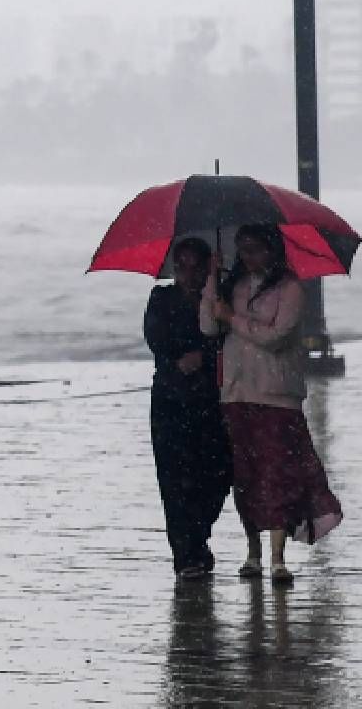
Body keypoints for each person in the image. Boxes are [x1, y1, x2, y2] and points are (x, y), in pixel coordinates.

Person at [201, 223, 343, 585]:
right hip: (236, 392)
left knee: (277, 474)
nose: (248, 257)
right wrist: (211, 283)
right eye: (242, 249)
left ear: (272, 250)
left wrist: (232, 317)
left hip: (277, 395)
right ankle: (253, 552)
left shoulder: (290, 288)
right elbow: (207, 328)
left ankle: (278, 557)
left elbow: (276, 337)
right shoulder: (232, 287)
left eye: (255, 249)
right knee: (246, 477)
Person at [143, 238, 232, 580]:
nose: (188, 274)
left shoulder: (220, 297)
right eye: (182, 266)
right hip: (171, 399)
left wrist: (205, 356)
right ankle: (186, 555)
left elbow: (229, 340)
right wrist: (179, 360)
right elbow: (155, 338)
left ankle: (198, 537)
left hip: (212, 400)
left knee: (218, 473)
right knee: (174, 479)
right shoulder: (161, 297)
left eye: (197, 266)